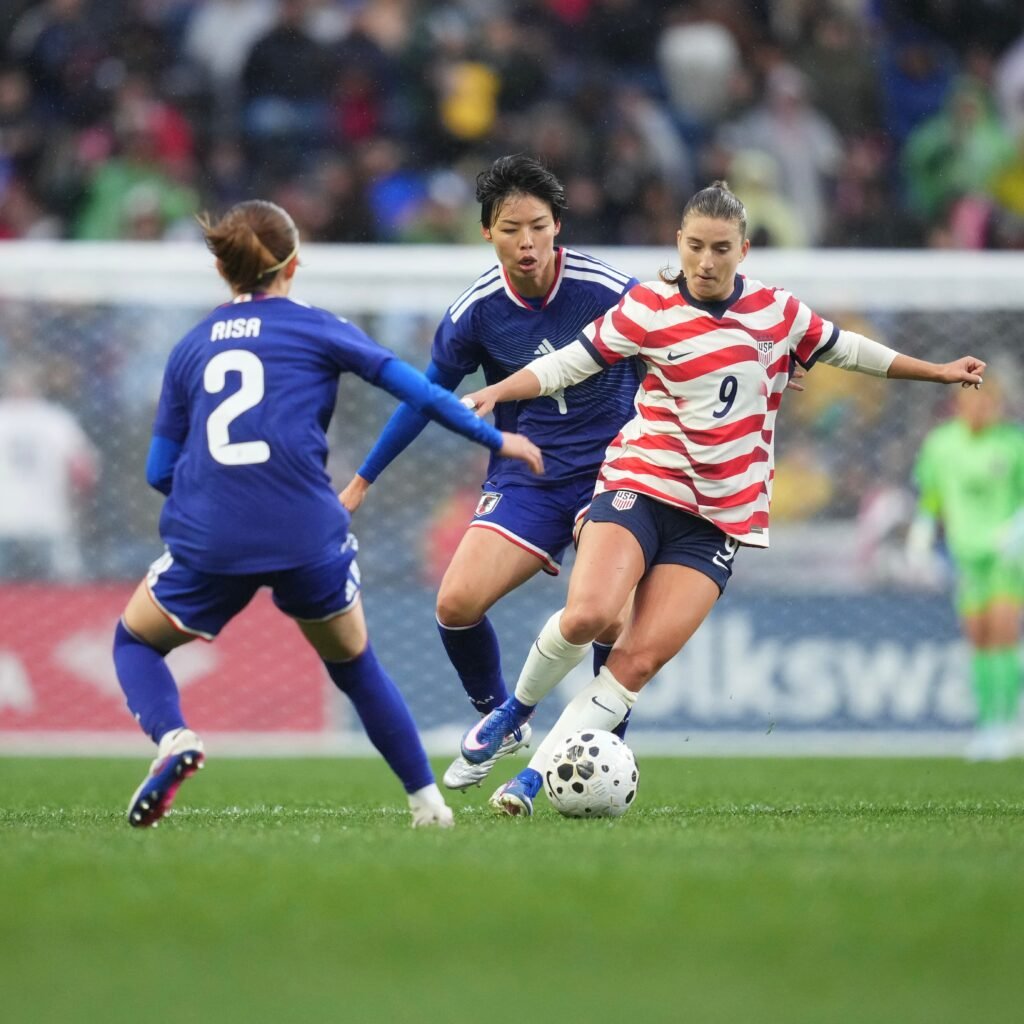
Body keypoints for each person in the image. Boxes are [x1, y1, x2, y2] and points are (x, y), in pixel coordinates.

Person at [456, 180, 987, 815]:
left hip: (718, 519)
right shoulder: (647, 308)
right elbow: (570, 362)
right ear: (678, 244)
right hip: (640, 486)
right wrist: (499, 392)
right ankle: (514, 711)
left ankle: (532, 781)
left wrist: (936, 371)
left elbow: (847, 349)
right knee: (589, 615)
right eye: (696, 247)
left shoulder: (777, 314)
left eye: (721, 249)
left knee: (636, 662)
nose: (706, 262)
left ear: (745, 250)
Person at [113, 199, 543, 829]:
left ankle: (174, 738)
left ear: (225, 271)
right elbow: (415, 387)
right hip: (304, 530)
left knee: (134, 642)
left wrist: (215, 497)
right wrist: (496, 440)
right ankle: (427, 805)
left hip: (212, 535)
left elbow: (157, 471)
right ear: (293, 264)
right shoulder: (317, 326)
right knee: (354, 665)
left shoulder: (190, 346)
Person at [339, 155, 642, 790]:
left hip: (615, 471)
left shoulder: (613, 291)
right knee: (455, 603)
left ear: (558, 225)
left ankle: (605, 749)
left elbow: (682, 348)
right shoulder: (476, 312)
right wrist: (364, 479)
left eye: (537, 226)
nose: (525, 242)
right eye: (510, 228)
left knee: (605, 615)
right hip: (527, 477)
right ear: (487, 232)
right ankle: (502, 719)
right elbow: (428, 398)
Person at [906, 379, 1024, 760]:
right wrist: (922, 532)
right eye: (971, 403)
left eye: (987, 404)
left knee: (1003, 636)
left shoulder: (1012, 444)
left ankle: (1008, 725)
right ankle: (987, 725)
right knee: (979, 640)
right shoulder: (942, 445)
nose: (979, 410)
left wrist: (1018, 528)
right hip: (965, 554)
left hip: (1006, 556)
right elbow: (932, 494)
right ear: (958, 405)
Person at [0, 363, 99, 581]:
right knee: (63, 586)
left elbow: (82, 469)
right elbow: (84, 469)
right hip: (48, 515)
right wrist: (79, 505)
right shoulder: (56, 420)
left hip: (10, 516)